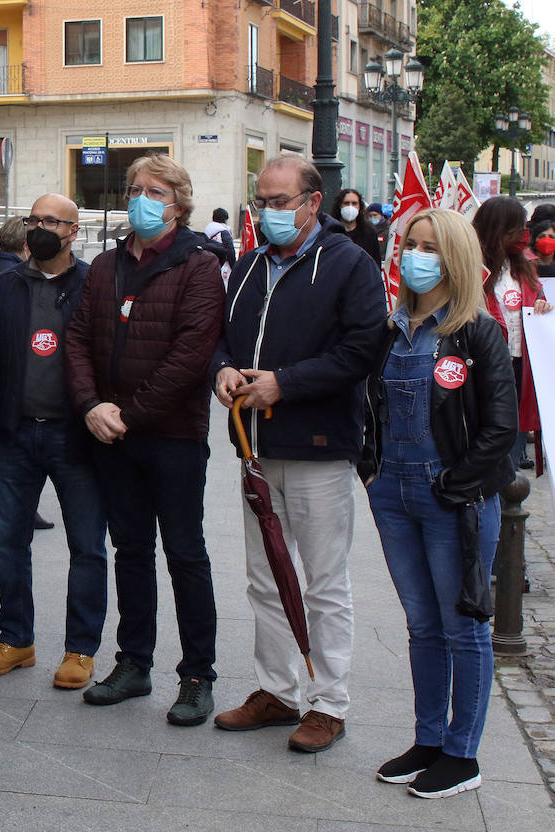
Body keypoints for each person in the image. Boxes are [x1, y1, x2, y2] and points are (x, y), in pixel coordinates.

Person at [210, 156, 386, 752]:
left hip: (319, 449)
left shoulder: (349, 264)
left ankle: (329, 704)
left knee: (323, 582)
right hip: (255, 449)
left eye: (280, 202)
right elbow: (218, 339)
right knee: (264, 579)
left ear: (314, 203)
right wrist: (223, 371)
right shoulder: (247, 265)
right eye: (261, 201)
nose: (268, 213)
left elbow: (363, 348)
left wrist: (286, 382)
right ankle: (276, 691)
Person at [358, 208, 517, 798]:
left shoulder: (478, 330)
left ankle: (462, 753)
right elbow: (368, 404)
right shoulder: (392, 326)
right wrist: (370, 469)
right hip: (393, 495)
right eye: (410, 244)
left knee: (463, 628)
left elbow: (502, 428)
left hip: (453, 499)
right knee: (421, 625)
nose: (416, 256)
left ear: (454, 257)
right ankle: (428, 738)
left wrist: (457, 486)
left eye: (429, 246)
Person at [65, 155, 224, 725]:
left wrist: (126, 414)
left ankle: (197, 675)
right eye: (134, 189)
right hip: (112, 435)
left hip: (173, 436)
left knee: (184, 553)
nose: (140, 199)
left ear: (178, 202)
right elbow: (78, 338)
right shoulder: (105, 265)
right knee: (129, 551)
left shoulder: (199, 266)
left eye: (153, 191)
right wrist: (90, 405)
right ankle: (134, 663)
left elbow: (190, 356)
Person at [0, 194, 105, 690]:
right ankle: (16, 638)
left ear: (74, 231)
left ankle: (81, 649)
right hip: (15, 433)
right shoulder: (5, 286)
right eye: (34, 220)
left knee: (87, 545)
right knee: (8, 542)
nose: (40, 228)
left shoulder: (95, 285)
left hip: (76, 437)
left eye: (52, 221)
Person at [0, 215, 53, 532]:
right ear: (26, 245)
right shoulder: (12, 277)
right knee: (7, 440)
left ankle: (15, 501)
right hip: (12, 373)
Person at [473, 196, 543, 472]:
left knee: (514, 428)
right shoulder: (475, 269)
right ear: (497, 229)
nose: (523, 236)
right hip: (486, 365)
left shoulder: (526, 268)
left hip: (520, 364)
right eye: (516, 229)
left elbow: (539, 301)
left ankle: (510, 479)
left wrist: (542, 306)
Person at [329, 188, 382, 265]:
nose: (350, 207)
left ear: (359, 206)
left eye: (354, 203)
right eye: (346, 203)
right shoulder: (330, 232)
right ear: (339, 205)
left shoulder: (369, 233)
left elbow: (375, 263)